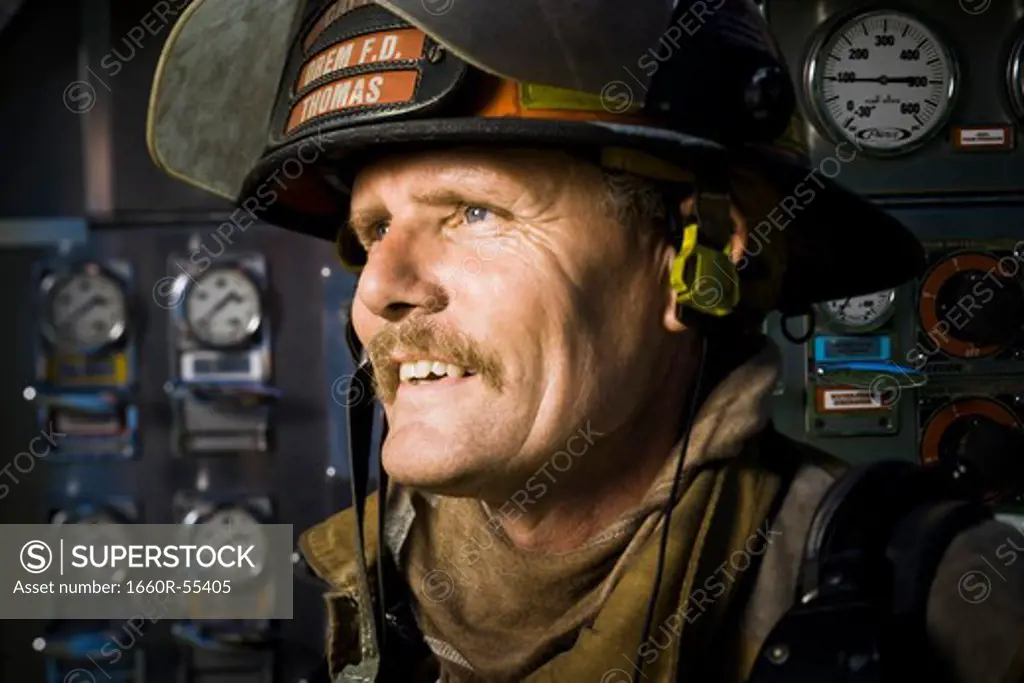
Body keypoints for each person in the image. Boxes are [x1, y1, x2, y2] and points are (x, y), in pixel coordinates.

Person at [147, 0, 1024, 681]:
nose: (378, 292)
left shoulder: (941, 599)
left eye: (474, 212)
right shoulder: (310, 575)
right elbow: (43, 574)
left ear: (698, 260)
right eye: (373, 230)